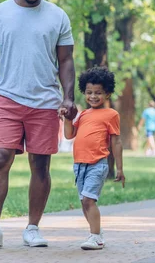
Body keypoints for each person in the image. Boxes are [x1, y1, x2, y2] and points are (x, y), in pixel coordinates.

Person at [0, 0, 77, 248]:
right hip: (7, 97)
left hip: (45, 102)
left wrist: (68, 96)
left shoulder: (57, 17)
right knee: (0, 157)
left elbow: (66, 61)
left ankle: (32, 228)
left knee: (40, 165)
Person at [60, 66, 125, 250]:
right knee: (84, 202)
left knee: (89, 200)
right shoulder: (83, 115)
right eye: (89, 92)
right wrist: (66, 119)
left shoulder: (111, 114)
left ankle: (96, 237)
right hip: (79, 166)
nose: (93, 96)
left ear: (108, 94)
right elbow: (69, 135)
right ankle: (95, 233)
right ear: (84, 92)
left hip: (98, 164)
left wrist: (119, 168)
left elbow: (116, 142)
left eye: (98, 93)